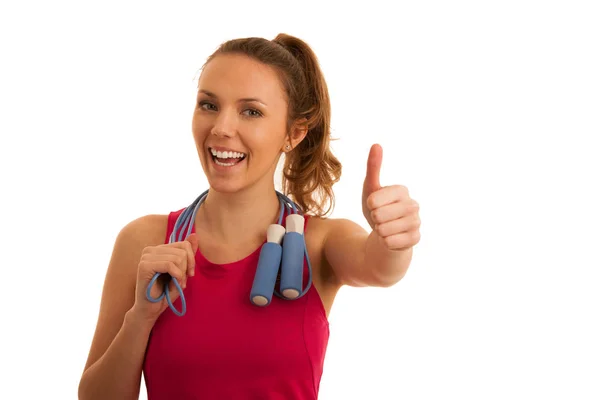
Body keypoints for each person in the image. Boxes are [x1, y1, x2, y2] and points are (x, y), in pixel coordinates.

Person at [78, 33, 421, 400]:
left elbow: (381, 268)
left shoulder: (319, 243)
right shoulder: (145, 241)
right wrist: (140, 318)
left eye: (251, 111)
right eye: (209, 105)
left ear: (294, 133)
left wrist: (394, 239)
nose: (222, 128)